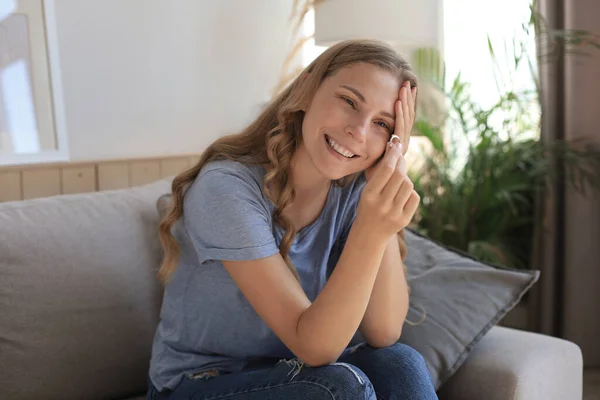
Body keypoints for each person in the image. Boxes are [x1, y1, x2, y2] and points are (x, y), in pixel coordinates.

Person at [146, 39, 438, 400]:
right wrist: (369, 229)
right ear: (307, 90)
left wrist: (384, 192)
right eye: (349, 101)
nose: (359, 131)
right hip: (198, 384)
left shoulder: (352, 191)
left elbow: (384, 331)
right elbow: (316, 349)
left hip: (293, 375)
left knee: (400, 363)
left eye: (382, 123)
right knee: (339, 387)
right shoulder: (226, 188)